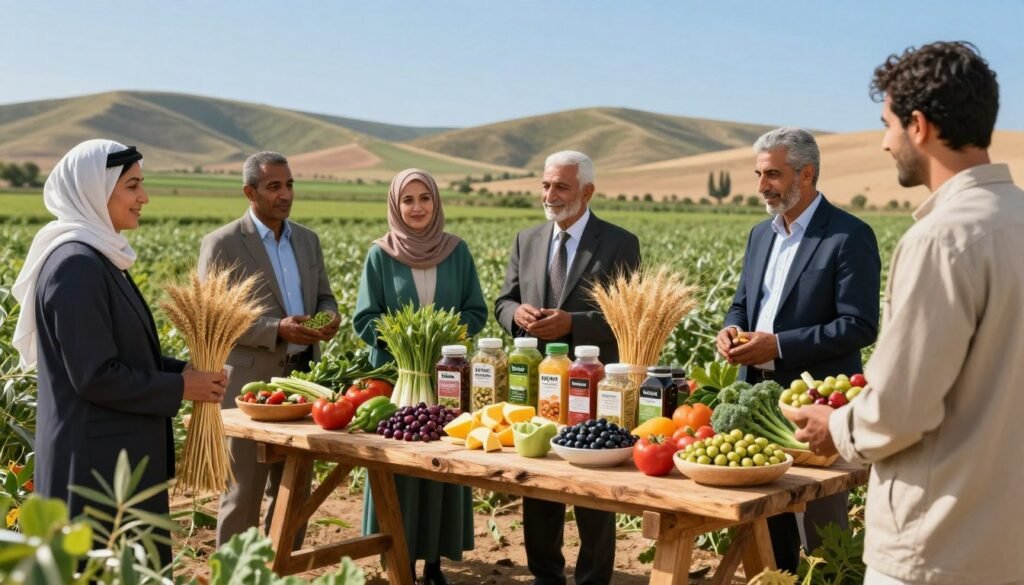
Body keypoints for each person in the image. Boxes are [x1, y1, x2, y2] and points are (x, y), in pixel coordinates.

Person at [792, 41, 1024, 585]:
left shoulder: (941, 240)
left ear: (919, 125)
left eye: (888, 125)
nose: (884, 142)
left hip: (936, 546)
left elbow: (902, 409)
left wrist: (837, 426)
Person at [13, 139, 227, 569]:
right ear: (94, 190)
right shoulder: (76, 265)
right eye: (132, 186)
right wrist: (181, 387)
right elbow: (95, 375)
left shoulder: (99, 258)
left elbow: (122, 355)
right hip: (95, 471)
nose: (144, 197)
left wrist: (184, 371)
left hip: (114, 463)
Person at [715, 128, 881, 571]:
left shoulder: (848, 235)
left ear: (806, 174)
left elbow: (859, 325)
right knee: (768, 525)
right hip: (756, 398)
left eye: (773, 174)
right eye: (759, 174)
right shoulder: (760, 235)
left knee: (823, 529)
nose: (762, 186)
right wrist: (731, 330)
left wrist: (779, 346)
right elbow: (742, 304)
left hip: (815, 403)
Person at [495, 151, 641, 585]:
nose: (549, 194)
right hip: (536, 385)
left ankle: (593, 579)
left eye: (561, 186)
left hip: (594, 387)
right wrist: (516, 315)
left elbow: (629, 316)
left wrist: (573, 324)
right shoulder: (526, 239)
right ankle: (546, 577)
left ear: (587, 192)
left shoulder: (619, 243)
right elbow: (503, 301)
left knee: (593, 490)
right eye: (545, 185)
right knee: (539, 483)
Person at [199, 151, 340, 547]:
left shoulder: (307, 241)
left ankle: (281, 567)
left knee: (294, 487)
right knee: (243, 490)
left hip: (303, 379)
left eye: (289, 184)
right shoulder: (223, 244)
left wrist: (329, 316)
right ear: (250, 192)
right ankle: (236, 570)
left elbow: (325, 296)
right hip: (250, 386)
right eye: (274, 186)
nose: (285, 194)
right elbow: (213, 317)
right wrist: (275, 329)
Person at [353, 168, 487, 585]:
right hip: (400, 377)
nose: (416, 207)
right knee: (400, 466)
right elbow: (365, 318)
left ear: (436, 202)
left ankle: (434, 563)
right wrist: (407, 343)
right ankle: (401, 558)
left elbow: (475, 310)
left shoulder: (456, 251)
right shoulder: (380, 254)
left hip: (447, 378)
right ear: (396, 205)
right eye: (407, 200)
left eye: (424, 198)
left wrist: (441, 340)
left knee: (443, 463)